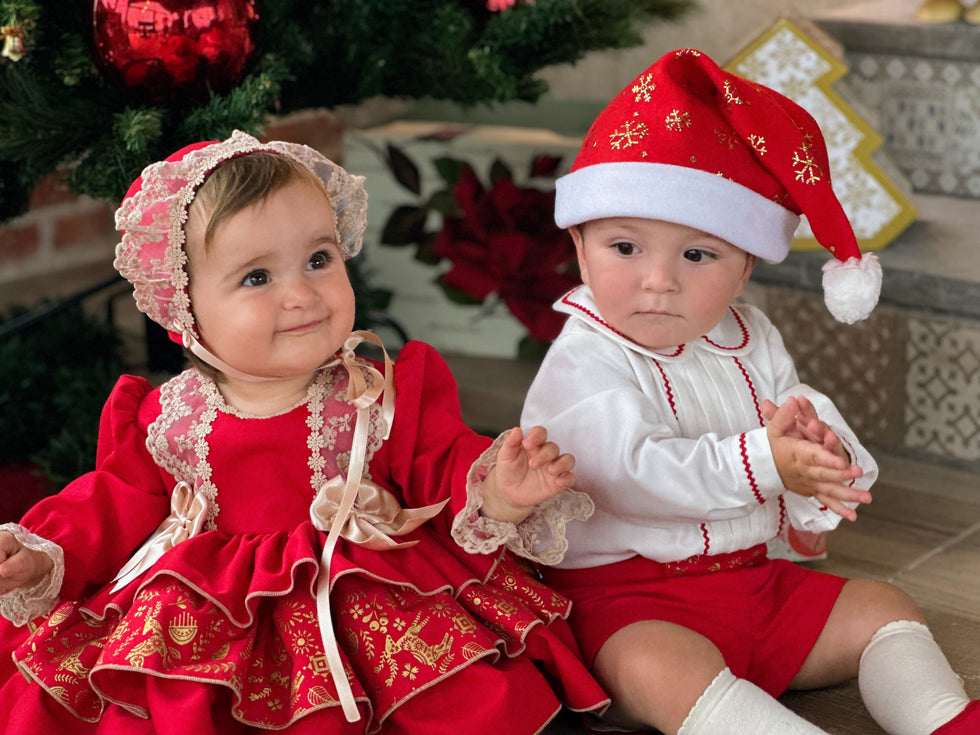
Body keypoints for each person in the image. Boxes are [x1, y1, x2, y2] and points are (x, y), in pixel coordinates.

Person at [0, 130, 608, 734]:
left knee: (461, 706)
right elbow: (112, 501)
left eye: (319, 260)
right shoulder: (168, 416)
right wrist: (41, 553)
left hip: (368, 591)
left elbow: (439, 464)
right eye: (256, 278)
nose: (301, 294)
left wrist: (497, 490)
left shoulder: (376, 392)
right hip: (214, 616)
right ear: (185, 310)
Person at [520, 49, 980, 735]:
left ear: (742, 272)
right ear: (580, 247)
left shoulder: (749, 335)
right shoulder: (584, 357)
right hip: (627, 600)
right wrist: (765, 460)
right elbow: (630, 474)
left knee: (883, 604)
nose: (659, 279)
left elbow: (794, 408)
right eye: (625, 247)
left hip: (754, 583)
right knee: (657, 667)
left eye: (698, 254)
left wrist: (822, 454)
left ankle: (945, 721)